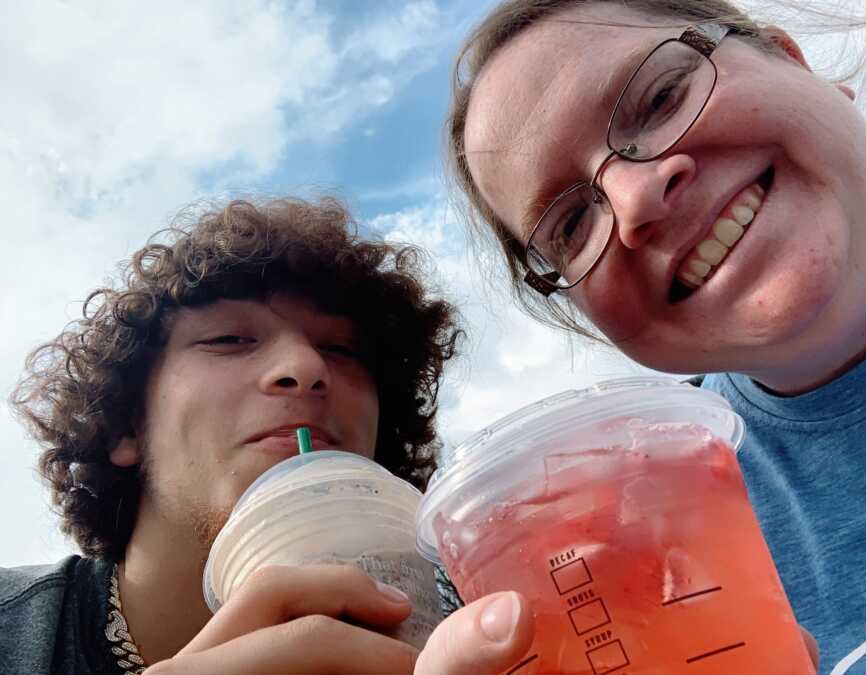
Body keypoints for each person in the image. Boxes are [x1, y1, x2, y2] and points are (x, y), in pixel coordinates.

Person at [447, 0, 866, 672]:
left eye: (661, 96)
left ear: (790, 58)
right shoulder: (652, 538)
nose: (634, 200)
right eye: (571, 225)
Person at [2, 197, 536, 675]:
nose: (305, 366)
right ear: (124, 426)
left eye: (342, 351)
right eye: (230, 339)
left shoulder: (492, 627)